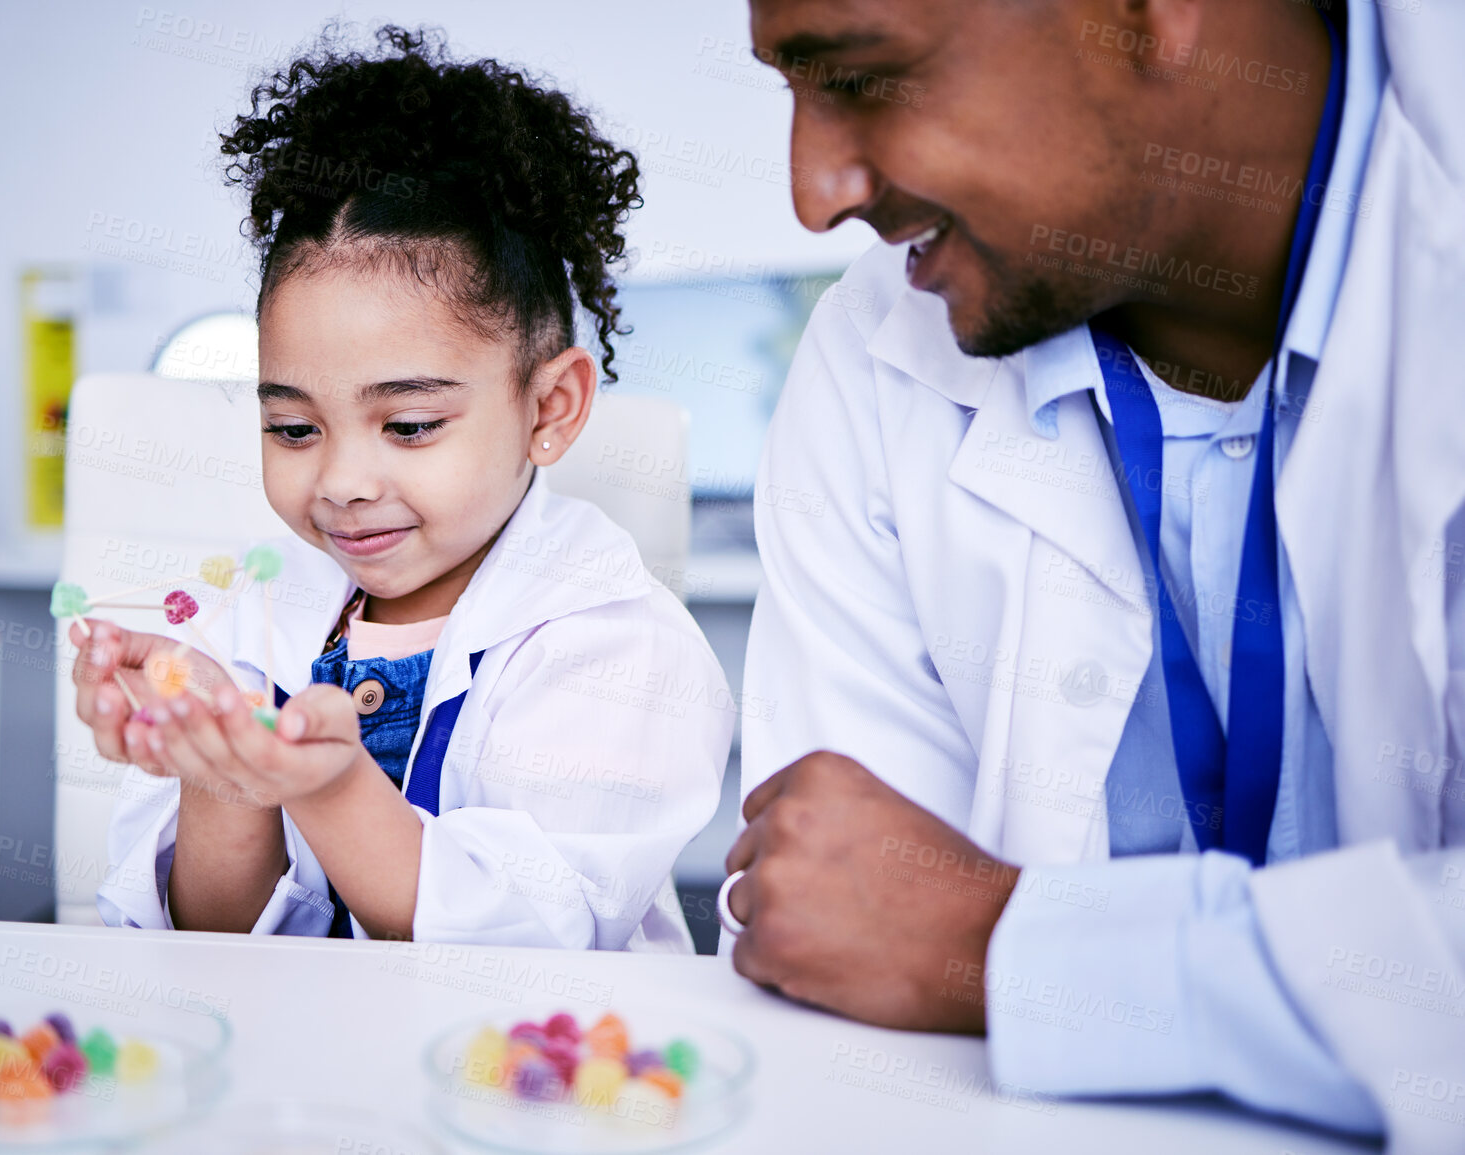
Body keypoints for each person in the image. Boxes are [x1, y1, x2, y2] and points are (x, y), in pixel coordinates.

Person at [723, 0, 1465, 1147]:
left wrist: (1002, 946)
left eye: (863, 74)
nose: (814, 191)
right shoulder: (876, 350)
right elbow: (837, 935)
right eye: (790, 88)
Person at [73, 26, 729, 951]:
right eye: (293, 428)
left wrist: (326, 783)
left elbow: (533, 947)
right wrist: (220, 769)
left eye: (410, 426)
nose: (340, 482)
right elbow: (206, 941)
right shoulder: (254, 619)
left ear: (551, 404)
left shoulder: (615, 645)